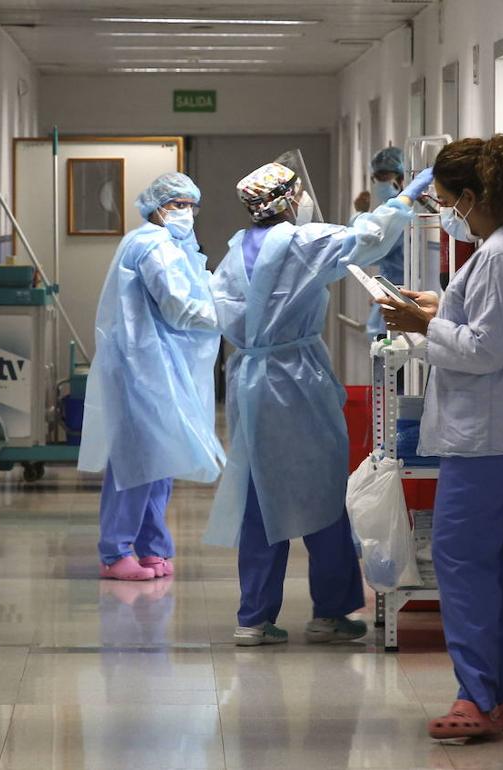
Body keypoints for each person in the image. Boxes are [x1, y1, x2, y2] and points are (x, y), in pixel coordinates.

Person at [377, 136, 503, 740]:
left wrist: (425, 323)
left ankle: (474, 697)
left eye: (444, 201)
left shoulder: (498, 257)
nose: (444, 212)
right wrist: (440, 310)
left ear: (471, 196)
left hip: (486, 441)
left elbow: (485, 351)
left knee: (462, 564)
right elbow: (489, 328)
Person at [204, 160, 434, 646]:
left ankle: (254, 617)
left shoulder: (232, 254)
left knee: (259, 495)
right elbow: (368, 237)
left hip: (251, 381)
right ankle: (329, 612)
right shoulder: (302, 241)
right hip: (296, 380)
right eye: (299, 191)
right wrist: (406, 199)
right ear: (286, 199)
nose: (304, 197)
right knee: (324, 491)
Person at [78, 172, 225, 581]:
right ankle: (115, 551)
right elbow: (178, 305)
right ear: (158, 206)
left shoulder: (173, 244)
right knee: (136, 461)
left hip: (160, 364)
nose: (186, 212)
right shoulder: (152, 246)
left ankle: (151, 547)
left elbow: (196, 286)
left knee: (160, 457)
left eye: (191, 205)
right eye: (178, 204)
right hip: (141, 366)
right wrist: (231, 315)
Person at [362, 147, 408, 340]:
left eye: (384, 175)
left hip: (402, 301)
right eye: (377, 177)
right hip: (389, 298)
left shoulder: (400, 214)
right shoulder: (389, 211)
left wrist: (359, 216)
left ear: (400, 177)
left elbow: (369, 251)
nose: (380, 181)